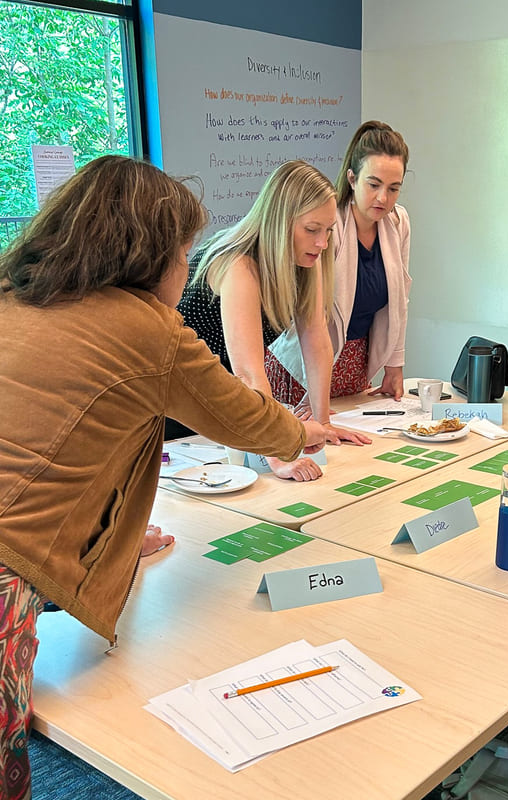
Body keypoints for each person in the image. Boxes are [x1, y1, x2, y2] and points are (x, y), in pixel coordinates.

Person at [0, 155, 326, 799]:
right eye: (183, 253)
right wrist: (305, 430)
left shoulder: (15, 296)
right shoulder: (144, 327)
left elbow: (55, 446)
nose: (187, 269)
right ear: (151, 256)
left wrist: (111, 536)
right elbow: (242, 416)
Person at [177, 160, 370, 483]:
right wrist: (278, 455)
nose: (322, 243)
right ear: (279, 223)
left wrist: (321, 425)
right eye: (311, 230)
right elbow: (249, 374)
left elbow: (316, 338)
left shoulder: (306, 259)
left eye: (328, 231)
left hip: (218, 395)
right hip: (179, 402)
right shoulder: (238, 263)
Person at [265, 120, 411, 403]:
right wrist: (316, 398)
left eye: (394, 188)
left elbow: (399, 300)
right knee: (313, 441)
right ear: (352, 178)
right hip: (304, 364)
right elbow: (313, 318)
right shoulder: (330, 225)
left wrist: (395, 364)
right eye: (374, 184)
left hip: (355, 364)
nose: (383, 197)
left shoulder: (398, 222)